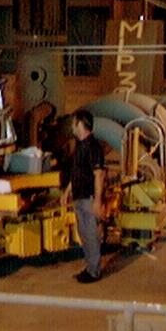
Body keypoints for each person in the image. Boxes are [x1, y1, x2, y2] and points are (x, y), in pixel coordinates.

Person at [64, 109, 106, 283]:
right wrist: (67, 191)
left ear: (81, 124)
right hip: (79, 196)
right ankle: (89, 267)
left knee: (90, 234)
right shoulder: (80, 145)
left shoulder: (93, 147)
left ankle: (94, 271)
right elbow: (77, 172)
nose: (72, 126)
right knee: (84, 233)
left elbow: (99, 175)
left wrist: (97, 201)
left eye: (74, 123)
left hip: (88, 197)